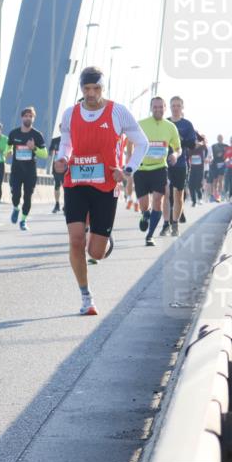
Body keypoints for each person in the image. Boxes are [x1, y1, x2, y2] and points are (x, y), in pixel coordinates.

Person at [54, 66, 147, 315]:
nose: (91, 93)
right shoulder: (70, 113)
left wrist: (127, 171)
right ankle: (86, 297)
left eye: (96, 88)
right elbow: (66, 143)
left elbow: (142, 143)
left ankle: (103, 239)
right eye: (86, 88)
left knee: (96, 251)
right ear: (81, 89)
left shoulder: (118, 112)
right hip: (76, 182)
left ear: (102, 88)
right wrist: (62, 158)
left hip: (106, 185)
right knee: (75, 240)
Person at [134, 97, 180, 246]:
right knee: (143, 204)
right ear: (151, 108)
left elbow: (178, 147)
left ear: (165, 108)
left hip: (160, 168)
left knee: (158, 200)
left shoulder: (170, 127)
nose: (158, 109)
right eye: (155, 107)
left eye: (161, 107)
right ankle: (144, 214)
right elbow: (129, 141)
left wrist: (175, 154)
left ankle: (150, 236)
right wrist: (130, 158)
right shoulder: (141, 124)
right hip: (141, 169)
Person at [6, 106, 48, 230]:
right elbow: (8, 147)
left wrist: (34, 148)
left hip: (30, 171)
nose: (28, 118)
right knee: (15, 194)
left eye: (30, 116)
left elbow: (45, 154)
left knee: (28, 197)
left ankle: (23, 221)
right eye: (26, 116)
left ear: (33, 119)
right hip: (16, 170)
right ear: (21, 117)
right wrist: (8, 152)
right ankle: (15, 208)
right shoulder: (14, 133)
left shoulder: (37, 135)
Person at [162, 96, 198, 236]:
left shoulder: (187, 124)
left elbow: (193, 144)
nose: (175, 108)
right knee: (165, 193)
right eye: (173, 105)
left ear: (182, 108)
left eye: (178, 105)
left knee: (178, 195)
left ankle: (175, 223)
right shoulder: (165, 123)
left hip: (181, 164)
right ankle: (166, 224)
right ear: (169, 108)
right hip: (163, 163)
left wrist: (180, 140)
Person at [188, 134, 207, 208]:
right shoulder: (190, 149)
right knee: (190, 185)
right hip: (192, 169)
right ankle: (194, 201)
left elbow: (204, 143)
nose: (195, 142)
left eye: (196, 140)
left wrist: (199, 136)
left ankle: (200, 198)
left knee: (197, 185)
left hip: (200, 169)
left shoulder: (202, 147)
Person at [48, 133, 64, 213]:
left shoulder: (71, 139)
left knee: (66, 187)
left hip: (67, 166)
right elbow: (50, 153)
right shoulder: (55, 140)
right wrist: (52, 151)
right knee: (57, 185)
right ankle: (57, 204)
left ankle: (66, 205)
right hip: (57, 166)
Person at [211, 134, 227, 201]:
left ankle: (219, 195)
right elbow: (210, 155)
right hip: (215, 165)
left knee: (221, 180)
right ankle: (215, 194)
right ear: (217, 139)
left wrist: (225, 158)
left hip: (222, 164)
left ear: (223, 138)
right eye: (219, 137)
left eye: (221, 137)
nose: (220, 138)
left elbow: (229, 155)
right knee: (215, 181)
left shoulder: (226, 146)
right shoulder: (213, 146)